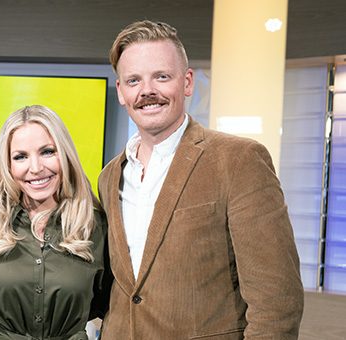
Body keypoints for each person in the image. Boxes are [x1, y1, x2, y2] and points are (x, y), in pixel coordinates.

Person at [98, 20, 304, 339]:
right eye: (133, 80)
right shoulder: (110, 176)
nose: (147, 91)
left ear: (187, 82)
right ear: (121, 92)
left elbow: (277, 303)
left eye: (161, 76)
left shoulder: (238, 160)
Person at [0, 105, 110, 340]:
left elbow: (103, 305)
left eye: (47, 152)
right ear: (8, 165)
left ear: (64, 154)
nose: (35, 168)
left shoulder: (95, 226)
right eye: (21, 156)